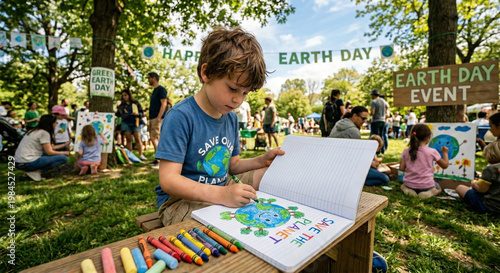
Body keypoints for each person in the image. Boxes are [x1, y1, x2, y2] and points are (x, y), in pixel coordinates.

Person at [154, 27, 285, 226]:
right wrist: (221, 194)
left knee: (271, 176)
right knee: (221, 225)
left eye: (245, 93)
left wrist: (261, 160)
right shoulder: (181, 116)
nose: (237, 99)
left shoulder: (230, 118)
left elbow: (233, 166)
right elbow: (169, 180)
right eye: (233, 88)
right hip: (181, 201)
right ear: (206, 73)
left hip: (223, 186)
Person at [329, 106, 389, 186]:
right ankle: (356, 182)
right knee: (385, 178)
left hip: (333, 166)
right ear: (354, 116)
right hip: (347, 170)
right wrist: (371, 164)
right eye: (363, 118)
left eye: (366, 119)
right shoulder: (353, 131)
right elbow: (358, 158)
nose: (364, 121)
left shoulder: (338, 123)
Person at [399, 124, 449, 199]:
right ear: (428, 138)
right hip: (426, 186)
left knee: (402, 186)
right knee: (439, 188)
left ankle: (408, 191)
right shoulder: (432, 151)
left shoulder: (406, 151)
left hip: (409, 184)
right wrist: (445, 153)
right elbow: (445, 165)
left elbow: (401, 168)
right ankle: (430, 192)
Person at [14, 115, 70, 181]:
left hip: (18, 162)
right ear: (50, 123)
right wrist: (64, 152)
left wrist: (64, 145)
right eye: (55, 122)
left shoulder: (33, 131)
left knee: (46, 154)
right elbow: (49, 152)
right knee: (63, 158)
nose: (56, 124)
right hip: (28, 162)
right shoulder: (44, 133)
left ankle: (30, 171)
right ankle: (36, 171)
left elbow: (49, 147)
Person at [456, 141, 500, 214]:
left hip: (490, 206)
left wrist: (473, 183)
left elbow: (481, 189)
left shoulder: (491, 169)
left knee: (460, 187)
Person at [116, 89, 146, 160]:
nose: (124, 97)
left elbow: (142, 113)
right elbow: (118, 114)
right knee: (128, 139)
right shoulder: (122, 105)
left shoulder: (136, 103)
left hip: (136, 122)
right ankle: (130, 156)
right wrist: (120, 111)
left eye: (125, 95)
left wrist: (138, 114)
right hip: (126, 122)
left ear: (129, 95)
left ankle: (141, 154)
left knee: (137, 138)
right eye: (123, 95)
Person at [147, 72, 168, 168]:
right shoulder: (154, 90)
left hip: (157, 117)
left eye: (149, 78)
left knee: (155, 138)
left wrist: (159, 117)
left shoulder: (161, 89)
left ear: (154, 78)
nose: (148, 80)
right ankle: (157, 159)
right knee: (153, 137)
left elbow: (164, 103)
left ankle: (160, 161)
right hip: (152, 117)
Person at [369, 89, 387, 153]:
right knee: (381, 135)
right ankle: (382, 149)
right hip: (383, 120)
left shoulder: (373, 101)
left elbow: (373, 112)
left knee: (375, 137)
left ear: (373, 95)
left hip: (376, 120)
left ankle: (377, 150)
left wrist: (368, 113)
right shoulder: (383, 101)